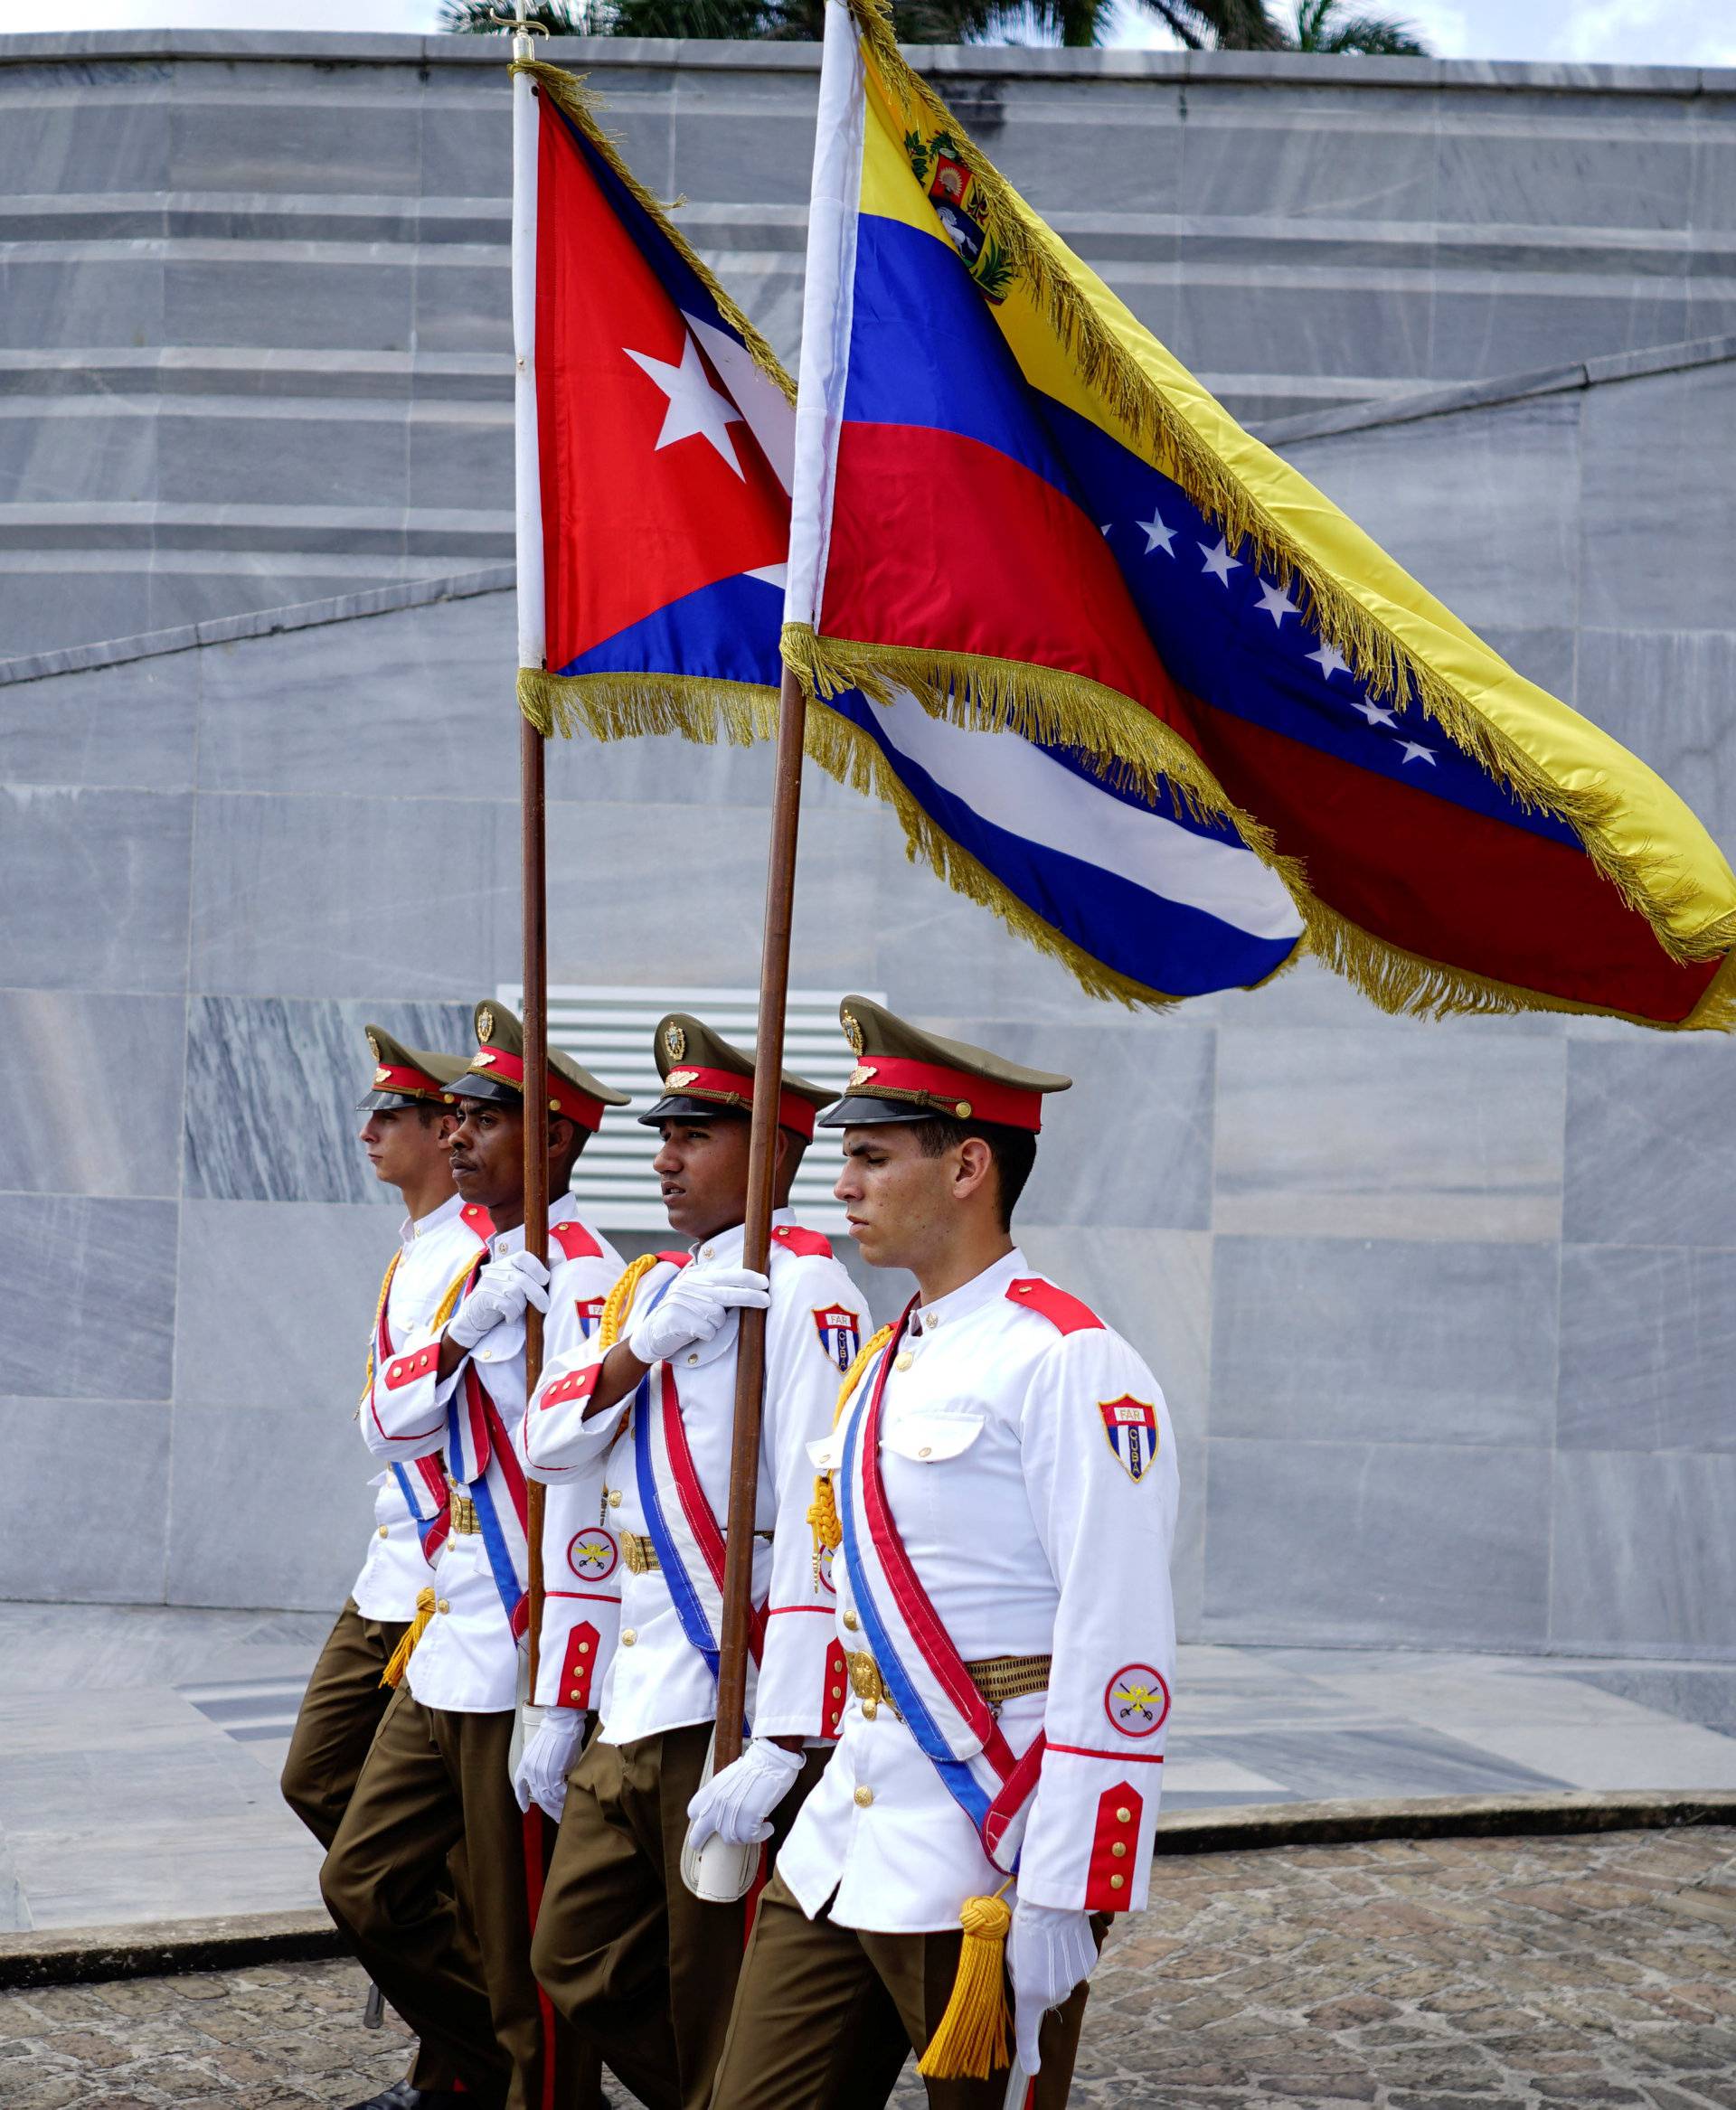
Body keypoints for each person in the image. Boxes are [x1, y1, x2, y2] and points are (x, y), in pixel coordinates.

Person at [705, 998, 1179, 2110]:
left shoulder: (1070, 1362)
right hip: (843, 1828)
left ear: (969, 1165)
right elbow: (831, 1578)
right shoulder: (884, 1360)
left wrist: (1071, 1883)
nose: (840, 1187)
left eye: (871, 1157)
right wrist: (784, 1742)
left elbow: (1120, 1639)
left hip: (989, 1841)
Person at [520, 1013, 895, 2110]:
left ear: (773, 1151)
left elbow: (824, 1525)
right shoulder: (648, 1290)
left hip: (727, 1689)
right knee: (573, 1955)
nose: (665, 1158)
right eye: (664, 1133)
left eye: (698, 1133)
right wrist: (648, 1342)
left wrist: (786, 1733)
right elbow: (551, 1444)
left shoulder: (812, 1294)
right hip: (638, 1687)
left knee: (712, 1979)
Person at [320, 1000, 629, 2110]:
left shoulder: (585, 1275)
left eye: (483, 1118)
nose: (455, 1136)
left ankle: (529, 2094)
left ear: (552, 1140)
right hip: (453, 1625)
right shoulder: (480, 1268)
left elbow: (587, 1482)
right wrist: (461, 1331)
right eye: (448, 1116)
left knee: (521, 1951)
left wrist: (570, 1676)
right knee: (363, 1881)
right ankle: (483, 2072)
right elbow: (385, 1422)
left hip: (523, 1639)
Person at [281, 1024, 489, 2110]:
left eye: (390, 1116)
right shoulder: (418, 1246)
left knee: (370, 1832)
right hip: (392, 1566)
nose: (369, 1131)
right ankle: (464, 2042)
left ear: (441, 1129)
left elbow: (412, 1425)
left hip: (440, 1582)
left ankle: (479, 2061)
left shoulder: (470, 1252)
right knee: (323, 1786)